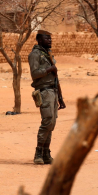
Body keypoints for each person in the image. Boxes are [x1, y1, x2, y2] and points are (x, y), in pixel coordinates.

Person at [28, 30, 66, 165]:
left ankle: (46, 153)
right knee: (47, 121)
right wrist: (49, 69)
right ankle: (38, 153)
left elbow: (56, 77)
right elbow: (34, 73)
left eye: (50, 39)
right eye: (46, 38)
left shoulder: (48, 54)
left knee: (52, 123)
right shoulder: (35, 54)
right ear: (39, 39)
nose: (50, 41)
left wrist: (60, 97)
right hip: (44, 91)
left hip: (53, 91)